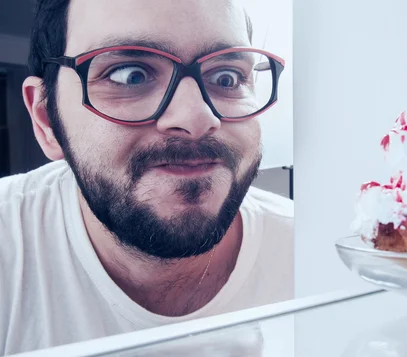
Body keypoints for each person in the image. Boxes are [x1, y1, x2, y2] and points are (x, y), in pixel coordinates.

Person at [0, 0, 293, 355]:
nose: (197, 118)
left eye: (226, 77)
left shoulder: (324, 256)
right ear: (46, 119)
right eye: (130, 75)